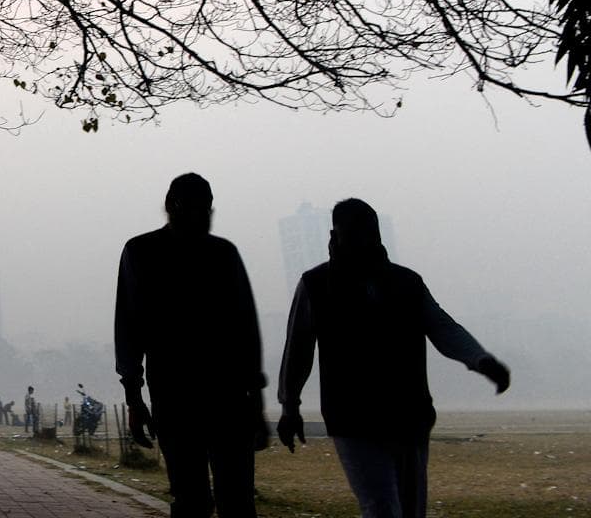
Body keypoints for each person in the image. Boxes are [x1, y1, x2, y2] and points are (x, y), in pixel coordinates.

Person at [277, 198, 511, 518]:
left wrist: (290, 407)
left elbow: (297, 350)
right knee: (386, 507)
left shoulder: (321, 284)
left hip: (386, 417)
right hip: (379, 418)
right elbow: (443, 327)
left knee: (393, 507)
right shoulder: (396, 283)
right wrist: (481, 360)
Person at [115, 172, 268, 518]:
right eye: (200, 208)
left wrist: (134, 398)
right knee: (235, 498)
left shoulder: (142, 251)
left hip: (175, 393)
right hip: (222, 395)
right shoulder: (222, 254)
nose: (204, 216)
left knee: (192, 496)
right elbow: (247, 333)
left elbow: (128, 330)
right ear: (174, 207)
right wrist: (256, 405)